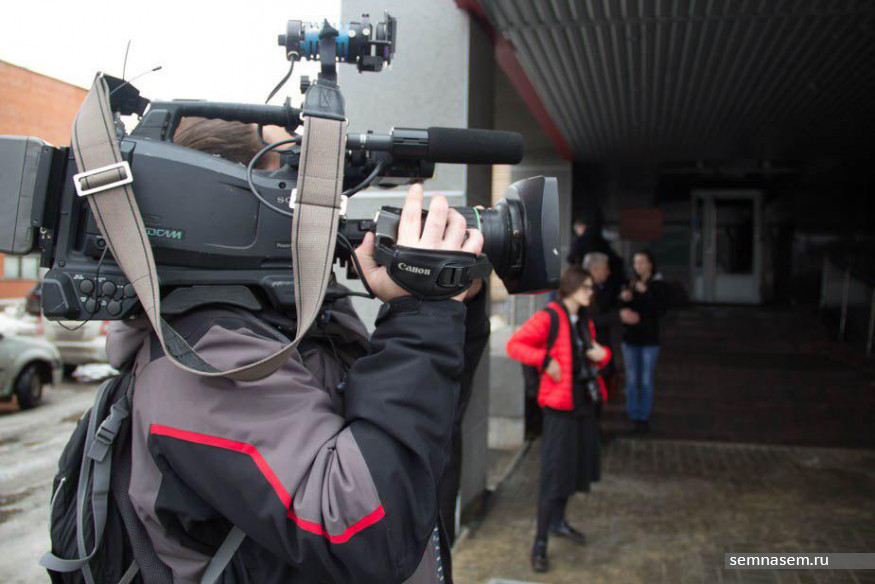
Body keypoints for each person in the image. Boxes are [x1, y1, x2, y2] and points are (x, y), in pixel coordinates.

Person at [111, 121, 489, 584]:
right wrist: (421, 317)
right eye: (291, 180)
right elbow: (366, 530)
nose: (317, 207)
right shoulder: (202, 357)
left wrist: (449, 307)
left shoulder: (295, 315)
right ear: (222, 203)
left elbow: (411, 440)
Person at [506, 267, 610, 574]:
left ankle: (558, 522)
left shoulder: (584, 321)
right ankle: (539, 543)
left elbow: (594, 357)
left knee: (573, 468)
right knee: (553, 474)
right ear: (572, 287)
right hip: (559, 408)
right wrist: (545, 360)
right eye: (586, 287)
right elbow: (515, 345)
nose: (591, 292)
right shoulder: (549, 317)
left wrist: (602, 354)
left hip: (583, 404)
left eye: (591, 287)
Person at [583, 253, 639, 432]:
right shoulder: (584, 289)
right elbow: (591, 319)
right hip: (590, 349)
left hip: (602, 347)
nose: (608, 272)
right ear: (595, 269)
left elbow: (606, 308)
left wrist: (621, 301)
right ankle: (591, 431)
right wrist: (618, 316)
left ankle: (594, 430)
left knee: (600, 390)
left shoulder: (601, 287)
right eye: (605, 268)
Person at [620, 250, 668, 434]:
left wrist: (646, 292)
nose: (638, 266)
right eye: (636, 262)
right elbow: (622, 310)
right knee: (632, 379)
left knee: (646, 380)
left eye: (642, 262)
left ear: (650, 264)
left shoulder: (658, 285)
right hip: (630, 337)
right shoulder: (630, 283)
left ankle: (644, 416)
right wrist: (624, 299)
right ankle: (633, 415)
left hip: (649, 339)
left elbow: (661, 310)